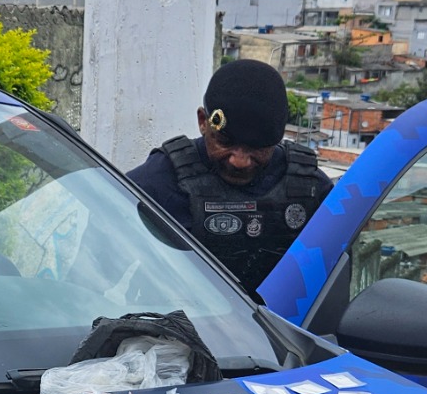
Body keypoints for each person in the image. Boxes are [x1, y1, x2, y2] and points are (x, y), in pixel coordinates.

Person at [127, 59, 332, 292]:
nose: (239, 161)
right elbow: (96, 263)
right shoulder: (159, 180)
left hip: (278, 327)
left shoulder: (311, 190)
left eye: (257, 148)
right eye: (225, 142)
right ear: (203, 122)